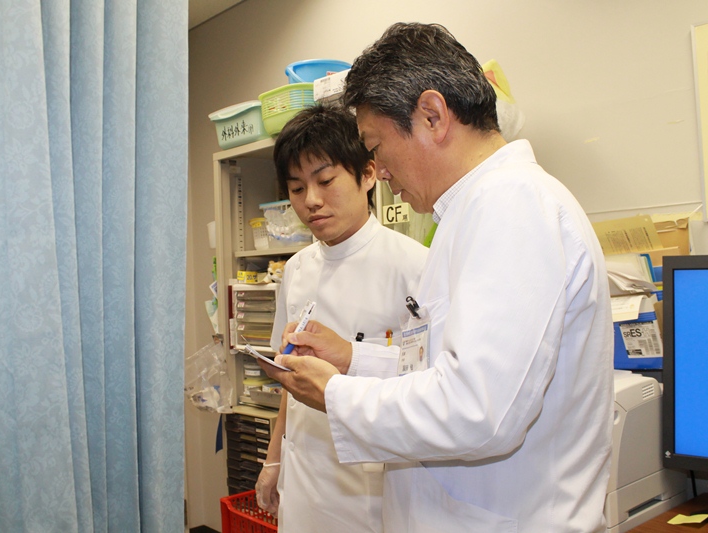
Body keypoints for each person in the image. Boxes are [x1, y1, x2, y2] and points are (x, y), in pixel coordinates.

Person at [262, 23, 614, 532]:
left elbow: (478, 409)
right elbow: (444, 369)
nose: (379, 171)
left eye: (376, 146)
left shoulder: (512, 205)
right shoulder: (471, 212)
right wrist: (355, 359)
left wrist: (336, 394)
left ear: (432, 115)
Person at [254, 103, 428, 533]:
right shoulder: (296, 269)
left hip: (373, 487)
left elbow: (431, 383)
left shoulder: (414, 266)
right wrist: (273, 460)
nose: (311, 201)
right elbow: (290, 379)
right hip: (304, 475)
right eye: (296, 188)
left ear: (367, 174)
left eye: (326, 181)